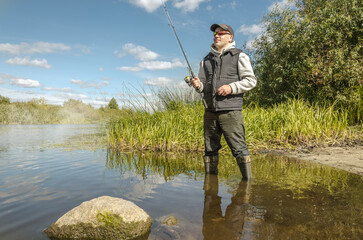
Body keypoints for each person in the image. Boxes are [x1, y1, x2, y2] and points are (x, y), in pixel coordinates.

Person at [191, 23, 257, 180]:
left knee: (239, 149)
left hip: (231, 110)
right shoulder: (205, 61)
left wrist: (231, 87)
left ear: (230, 37)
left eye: (221, 33)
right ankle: (210, 188)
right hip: (210, 111)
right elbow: (202, 85)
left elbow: (251, 81)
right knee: (210, 150)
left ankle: (247, 186)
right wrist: (198, 86)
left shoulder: (240, 56)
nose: (217, 36)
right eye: (215, 34)